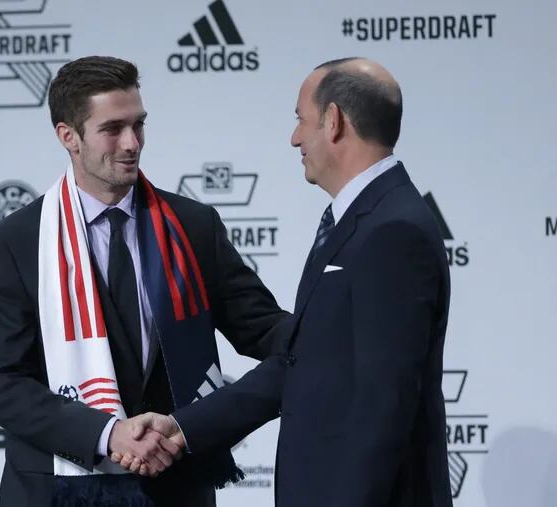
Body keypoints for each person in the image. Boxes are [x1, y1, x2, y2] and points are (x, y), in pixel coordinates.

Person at [116, 57, 454, 507]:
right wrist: (182, 427)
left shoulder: (392, 230)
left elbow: (385, 402)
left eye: (301, 120)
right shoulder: (363, 219)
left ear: (333, 121)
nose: (295, 137)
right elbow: (303, 360)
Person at [0, 55, 288, 507]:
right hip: (55, 490)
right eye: (113, 128)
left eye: (139, 125)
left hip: (175, 488)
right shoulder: (15, 241)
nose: (132, 143)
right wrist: (107, 433)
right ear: (68, 136)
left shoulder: (193, 226)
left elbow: (264, 329)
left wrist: (334, 330)